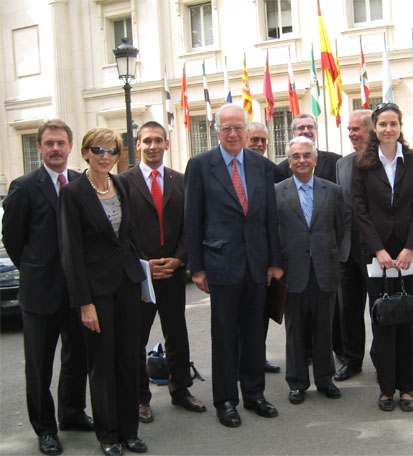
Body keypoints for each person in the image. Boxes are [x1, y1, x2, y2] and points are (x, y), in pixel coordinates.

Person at [185, 104, 283, 428]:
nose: (232, 133)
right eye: (226, 128)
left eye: (237, 127)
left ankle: (254, 394)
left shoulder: (261, 166)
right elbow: (192, 219)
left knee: (255, 334)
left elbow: (270, 218)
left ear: (246, 129)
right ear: (216, 131)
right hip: (221, 265)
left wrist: (274, 262)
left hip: (257, 266)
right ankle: (225, 400)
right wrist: (197, 268)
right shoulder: (200, 166)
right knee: (224, 336)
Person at [2, 119, 93, 456]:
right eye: (49, 143)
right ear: (39, 148)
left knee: (77, 357)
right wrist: (36, 269)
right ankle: (45, 429)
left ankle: (71, 413)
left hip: (77, 292)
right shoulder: (24, 187)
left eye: (61, 143)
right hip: (40, 294)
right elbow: (12, 239)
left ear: (71, 148)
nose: (56, 149)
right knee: (39, 364)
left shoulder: (81, 183)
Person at [58, 128, 147, 456]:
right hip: (95, 292)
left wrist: (141, 280)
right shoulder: (73, 193)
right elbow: (71, 252)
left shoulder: (120, 183)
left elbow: (130, 235)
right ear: (85, 153)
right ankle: (108, 435)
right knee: (102, 364)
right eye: (98, 150)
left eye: (111, 151)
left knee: (127, 360)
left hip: (125, 283)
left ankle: (129, 432)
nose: (105, 156)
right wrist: (84, 303)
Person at [121, 121, 206, 423]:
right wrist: (144, 263)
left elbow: (190, 225)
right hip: (140, 276)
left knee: (177, 333)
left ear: (167, 144)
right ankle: (139, 398)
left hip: (171, 272)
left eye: (158, 140)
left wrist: (178, 258)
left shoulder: (181, 181)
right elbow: (122, 232)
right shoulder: (123, 182)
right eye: (147, 141)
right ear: (138, 145)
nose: (153, 146)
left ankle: (181, 389)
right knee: (136, 338)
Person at [351, 103, 413, 412]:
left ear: (400, 126)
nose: (388, 129)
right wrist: (380, 250)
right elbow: (359, 209)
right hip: (376, 253)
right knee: (382, 317)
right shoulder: (363, 163)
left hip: (408, 253)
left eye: (393, 123)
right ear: (375, 128)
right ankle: (385, 388)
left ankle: (406, 387)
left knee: (407, 315)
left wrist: (409, 247)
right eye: (382, 124)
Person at [275, 136, 344, 405]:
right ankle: (297, 382)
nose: (301, 160)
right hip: (292, 272)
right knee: (295, 330)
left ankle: (326, 379)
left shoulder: (333, 191)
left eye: (306, 155)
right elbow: (274, 233)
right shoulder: (277, 191)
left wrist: (329, 255)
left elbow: (339, 229)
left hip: (324, 269)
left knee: (324, 328)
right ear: (289, 162)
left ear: (315, 159)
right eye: (296, 156)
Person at [334, 110, 372, 382]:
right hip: (347, 249)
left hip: (375, 250)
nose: (351, 134)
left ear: (371, 131)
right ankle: (352, 360)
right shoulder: (342, 164)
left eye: (356, 129)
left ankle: (383, 359)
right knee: (349, 309)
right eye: (349, 130)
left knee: (379, 309)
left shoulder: (384, 160)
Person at [245, 121, 281, 374]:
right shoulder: (228, 169)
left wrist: (275, 260)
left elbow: (276, 217)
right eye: (254, 139)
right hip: (234, 257)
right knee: (237, 316)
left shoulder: (272, 170)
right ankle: (239, 361)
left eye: (262, 140)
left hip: (263, 255)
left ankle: (258, 357)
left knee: (261, 312)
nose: (258, 144)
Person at [277, 114, 341, 183]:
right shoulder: (282, 169)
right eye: (301, 128)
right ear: (293, 133)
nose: (306, 131)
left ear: (316, 131)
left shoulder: (335, 161)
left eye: (310, 127)